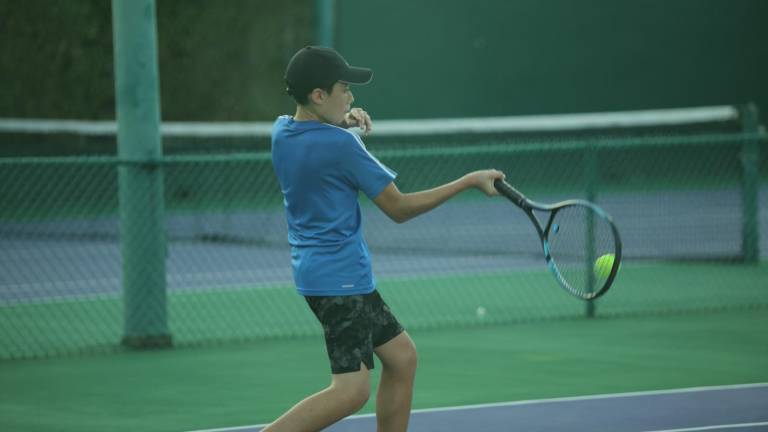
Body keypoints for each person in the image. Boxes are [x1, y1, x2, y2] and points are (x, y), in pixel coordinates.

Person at [266, 46, 505, 432]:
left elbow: (315, 139)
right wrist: (469, 181)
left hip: (321, 274)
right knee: (351, 391)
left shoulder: (282, 131)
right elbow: (399, 208)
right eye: (343, 88)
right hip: (340, 279)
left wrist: (340, 121)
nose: (352, 96)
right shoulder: (343, 146)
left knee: (402, 357)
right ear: (318, 95)